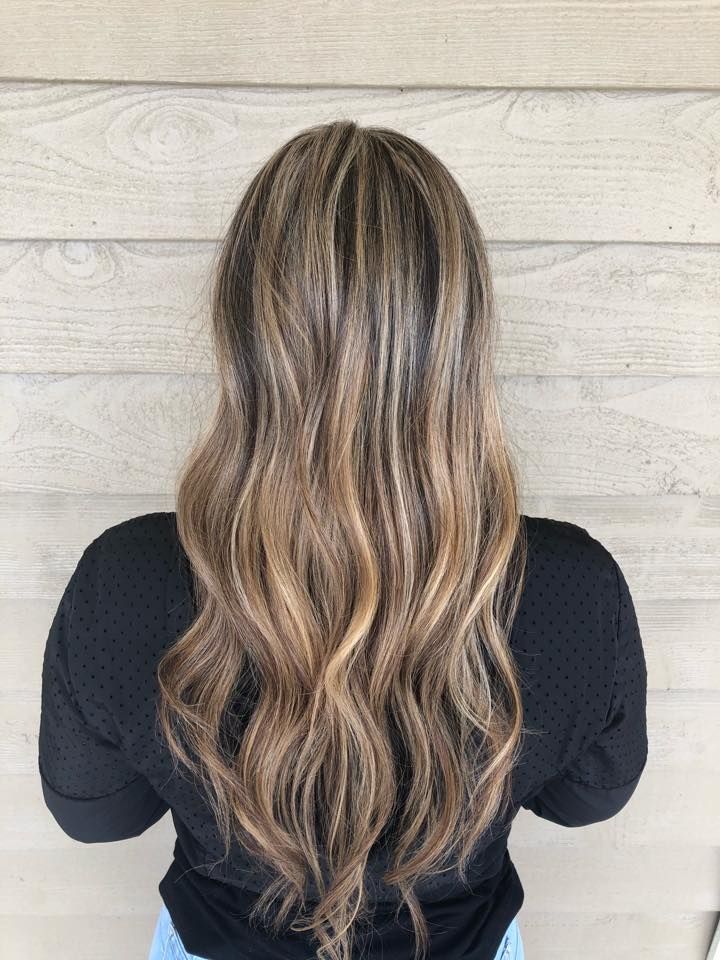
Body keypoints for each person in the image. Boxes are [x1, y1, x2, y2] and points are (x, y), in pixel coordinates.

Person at [37, 120, 648, 960]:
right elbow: (590, 800)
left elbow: (92, 814)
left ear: (245, 331)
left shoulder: (127, 581)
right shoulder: (573, 589)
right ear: (459, 336)